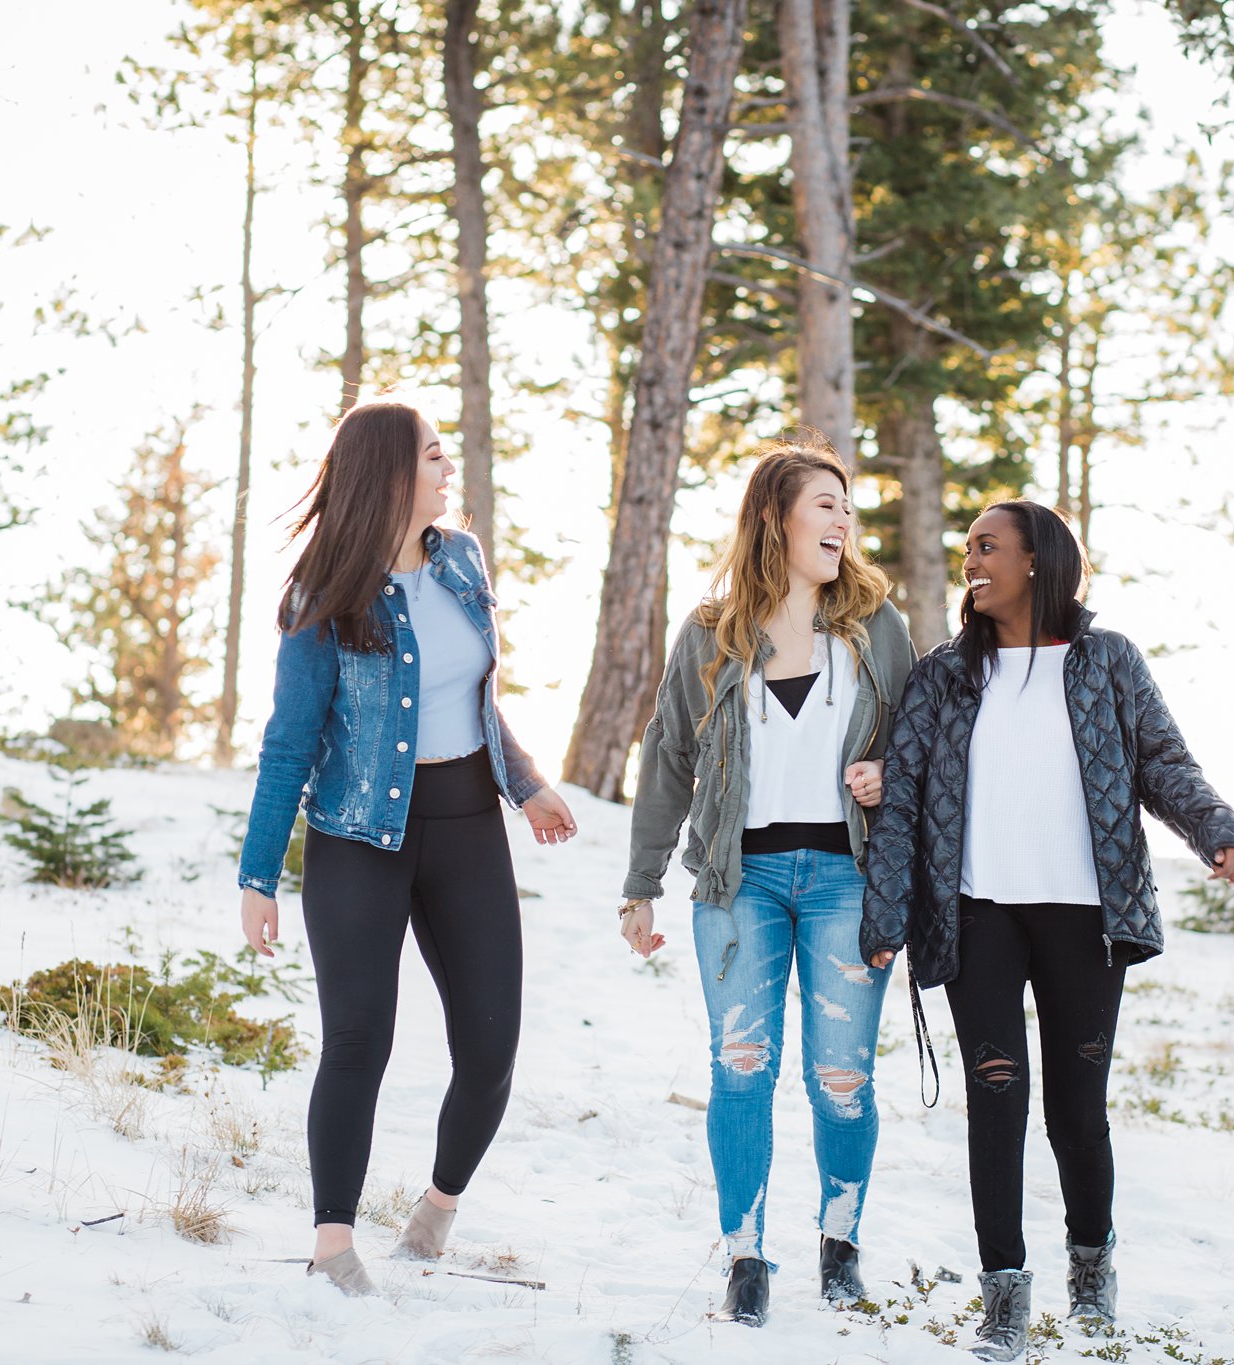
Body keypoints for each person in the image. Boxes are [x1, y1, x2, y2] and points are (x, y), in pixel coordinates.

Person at [860, 499, 1234, 1360]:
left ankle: (1091, 1270)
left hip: (1085, 917)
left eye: (987, 546)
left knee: (1078, 1110)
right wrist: (887, 914)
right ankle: (1003, 1296)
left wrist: (1217, 830)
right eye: (967, 547)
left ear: (1038, 559)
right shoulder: (942, 674)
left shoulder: (1108, 661)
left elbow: (1161, 761)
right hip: (977, 915)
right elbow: (903, 802)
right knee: (996, 1104)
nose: (972, 561)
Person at [235, 399, 577, 1297]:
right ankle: (333, 1243)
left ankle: (436, 1206)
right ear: (390, 472)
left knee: (492, 1045)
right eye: (432, 455)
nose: (445, 467)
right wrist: (259, 873)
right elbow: (289, 741)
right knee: (358, 1040)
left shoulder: (461, 560)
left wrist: (527, 780)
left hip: (468, 820)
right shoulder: (325, 592)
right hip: (358, 837)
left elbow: (472, 698)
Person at [620, 436, 916, 1325]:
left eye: (847, 506)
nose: (843, 520)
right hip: (737, 880)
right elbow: (668, 757)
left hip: (845, 880)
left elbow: (921, 746)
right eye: (825, 502)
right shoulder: (713, 633)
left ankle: (840, 1243)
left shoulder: (876, 626)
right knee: (740, 1067)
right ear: (773, 516)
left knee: (842, 1076)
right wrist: (641, 884)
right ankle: (746, 1257)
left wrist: (888, 775)